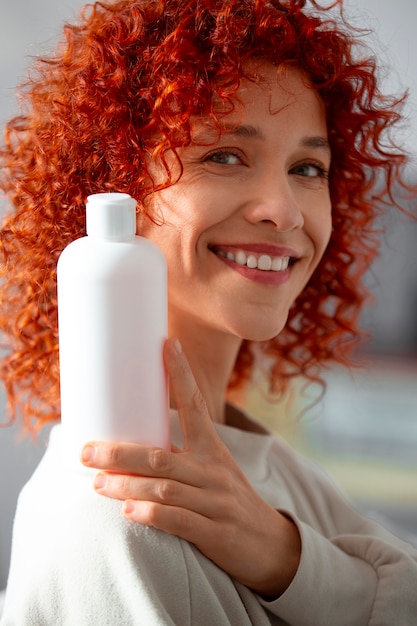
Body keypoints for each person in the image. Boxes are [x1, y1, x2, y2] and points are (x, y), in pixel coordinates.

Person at [0, 0, 416, 624]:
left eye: (308, 167)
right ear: (118, 189)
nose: (284, 209)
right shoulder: (124, 511)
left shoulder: (269, 471)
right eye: (224, 155)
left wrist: (285, 557)